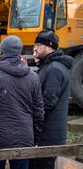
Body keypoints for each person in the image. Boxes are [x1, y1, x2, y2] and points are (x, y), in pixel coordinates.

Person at [0, 35, 44, 169]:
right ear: (19, 53)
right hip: (23, 139)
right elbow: (39, 112)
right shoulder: (33, 77)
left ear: (1, 52)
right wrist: (34, 138)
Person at [29, 30, 73, 169]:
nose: (34, 47)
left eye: (39, 44)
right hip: (46, 134)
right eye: (34, 44)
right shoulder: (48, 66)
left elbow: (48, 103)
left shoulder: (54, 69)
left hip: (49, 136)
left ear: (49, 46)